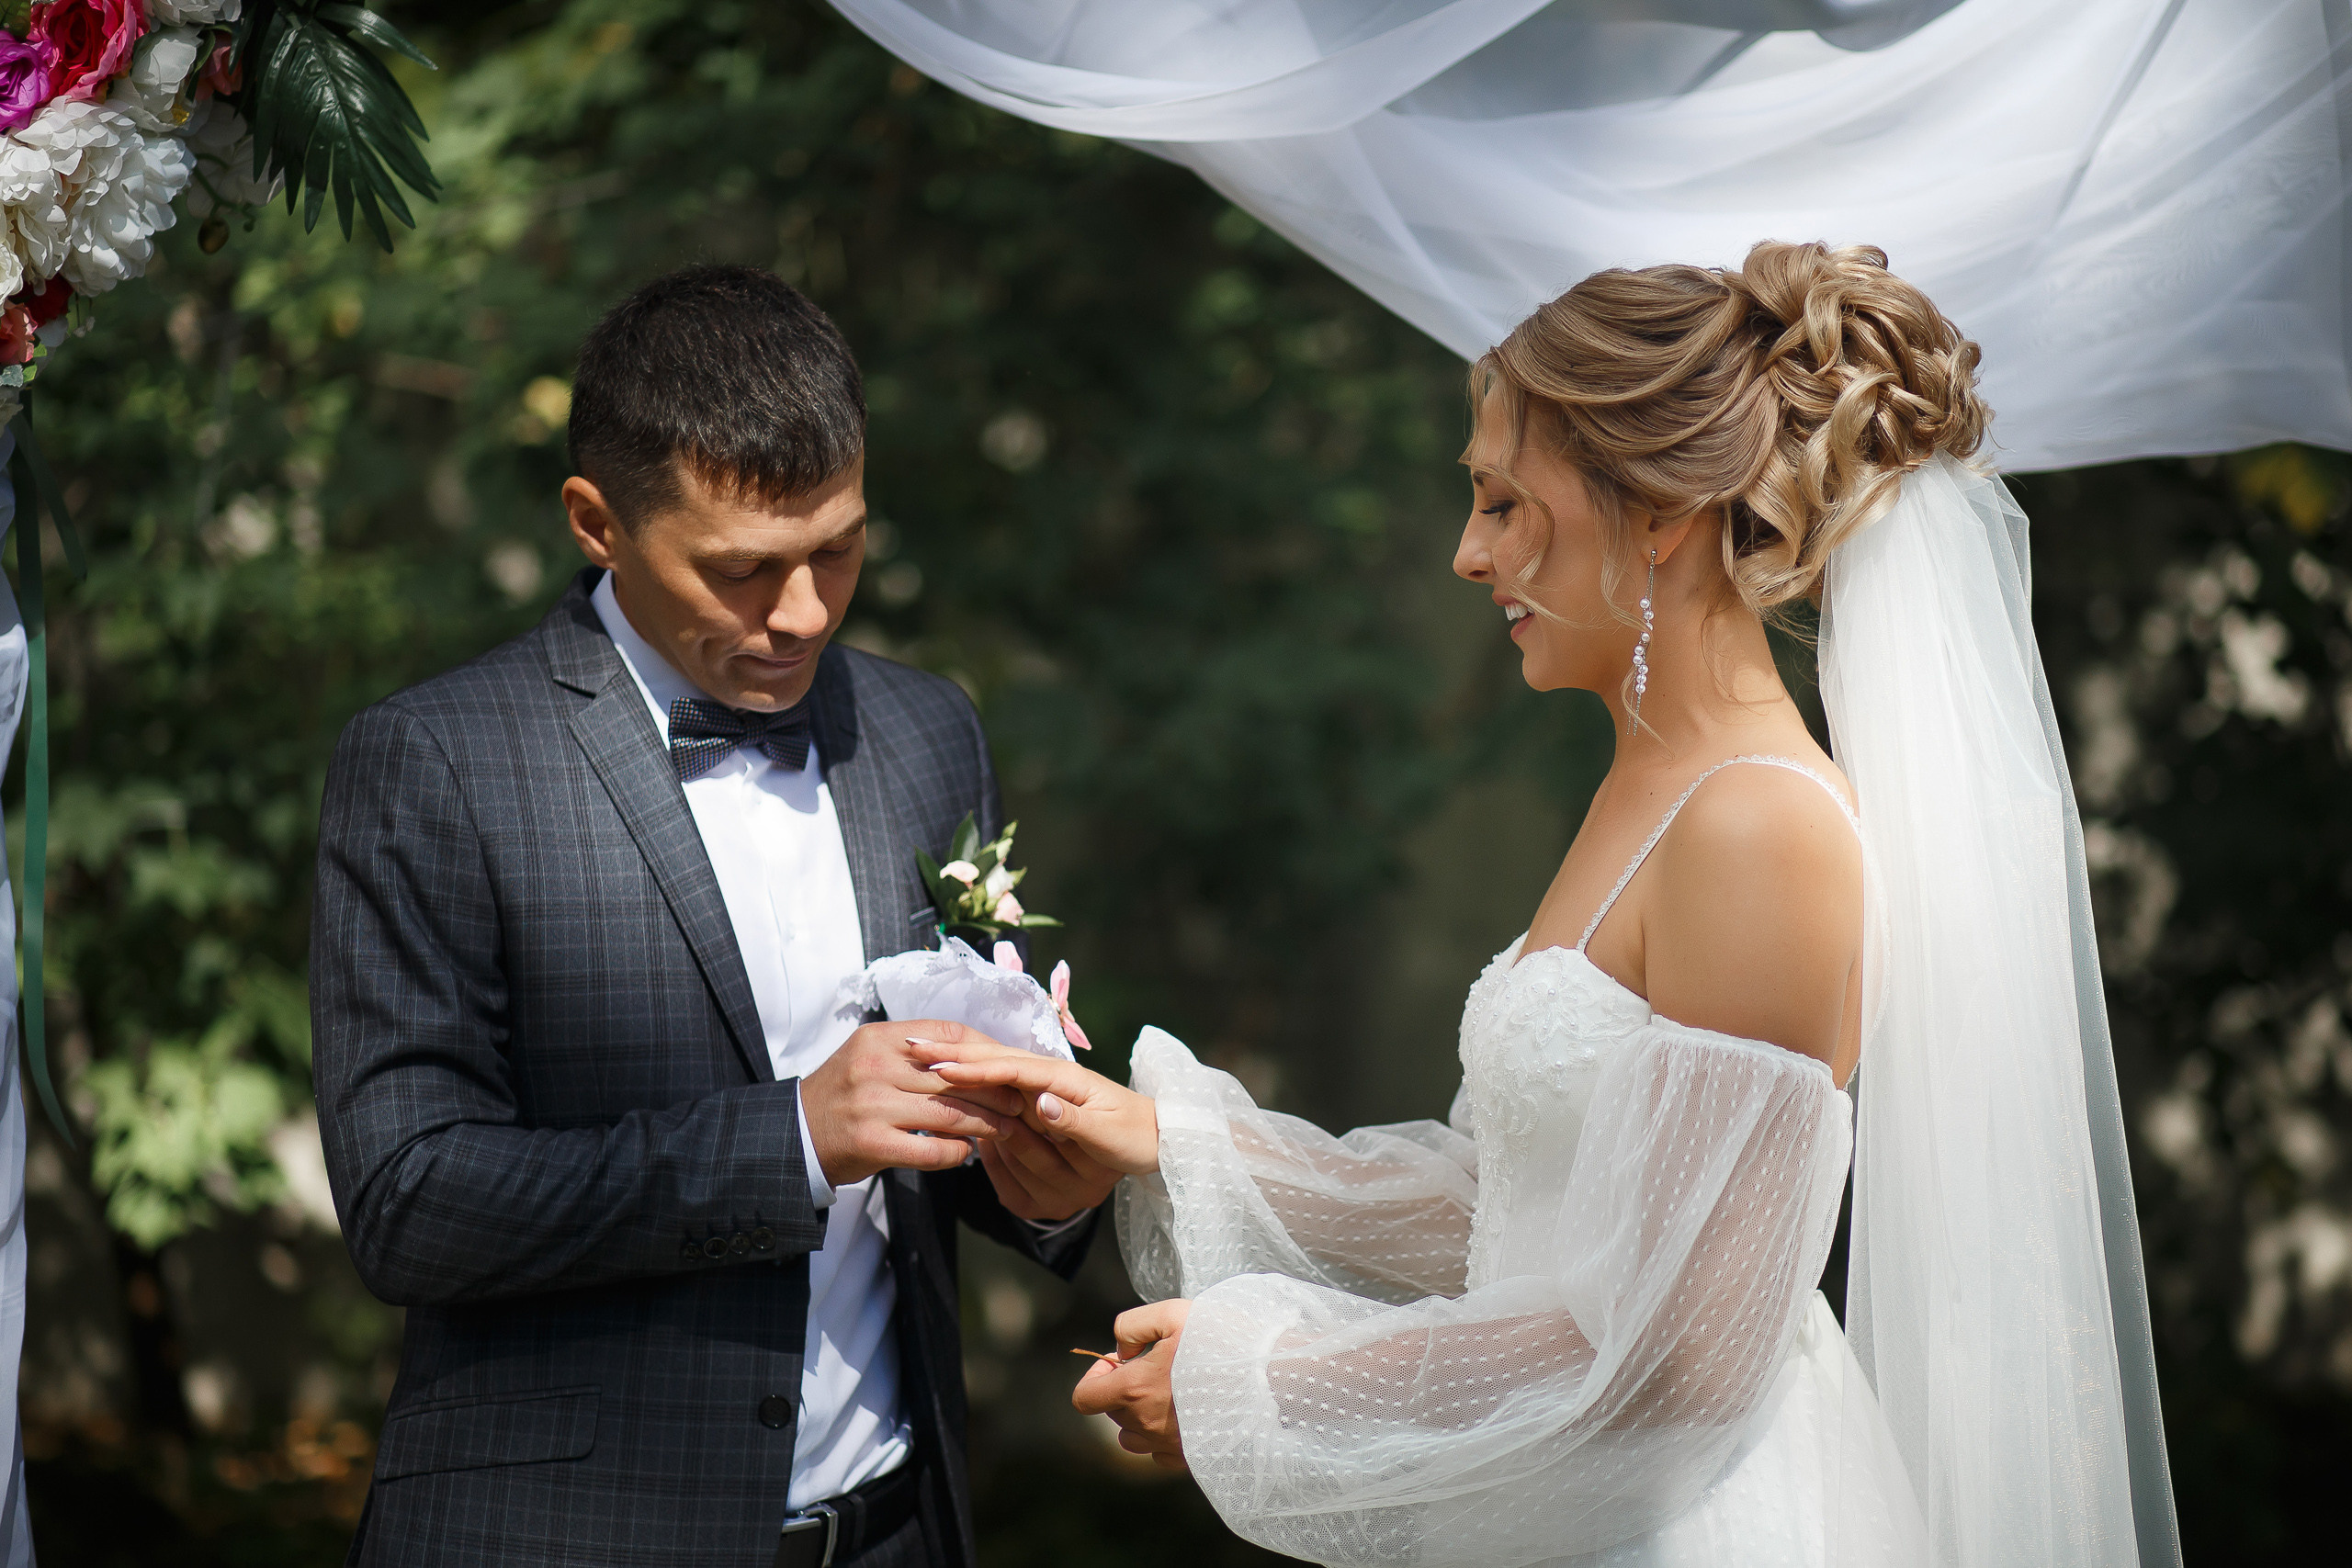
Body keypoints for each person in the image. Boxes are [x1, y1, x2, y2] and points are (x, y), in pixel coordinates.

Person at [917, 243, 2180, 1566]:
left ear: (1660, 514)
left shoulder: (1757, 829)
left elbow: (1682, 1358)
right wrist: (1162, 1138)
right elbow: (1514, 1212)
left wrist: (1265, 1384)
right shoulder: (1653, 788)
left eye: (1503, 504)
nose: (1469, 555)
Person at [310, 265, 1118, 1568]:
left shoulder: (924, 730)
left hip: (899, 1530)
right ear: (596, 522)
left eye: (839, 549)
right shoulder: (437, 762)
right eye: (743, 571)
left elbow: (955, 1098)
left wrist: (1042, 1175)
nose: (802, 613)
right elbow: (410, 1201)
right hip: (572, 1538)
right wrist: (789, 1139)